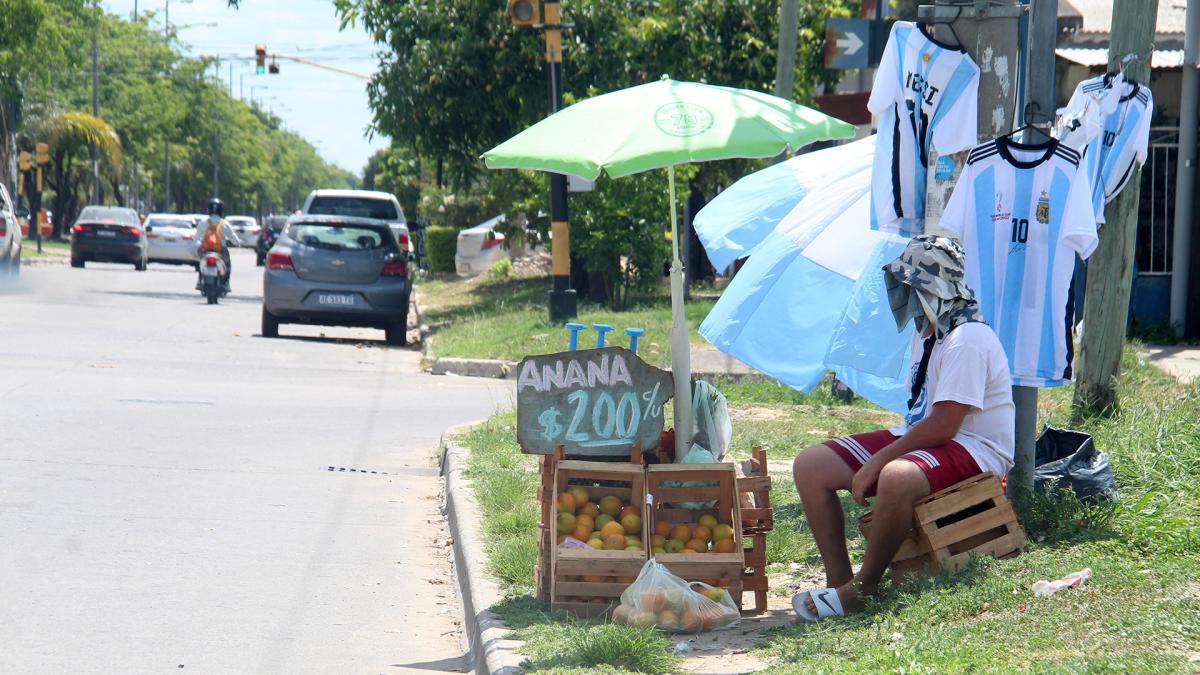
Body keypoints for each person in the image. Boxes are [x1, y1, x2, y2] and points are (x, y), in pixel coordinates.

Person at [791, 235, 1015, 621]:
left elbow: (945, 426)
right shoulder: (927, 332)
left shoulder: (968, 339)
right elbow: (924, 419)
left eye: (911, 286)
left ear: (933, 288)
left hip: (977, 448)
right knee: (811, 465)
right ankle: (839, 582)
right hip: (933, 436)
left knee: (895, 475)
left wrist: (875, 463)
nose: (902, 294)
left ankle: (865, 588)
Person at [196, 198, 233, 293]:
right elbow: (234, 238)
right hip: (221, 250)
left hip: (205, 249)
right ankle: (226, 283)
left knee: (201, 262)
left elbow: (196, 237)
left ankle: (200, 280)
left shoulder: (203, 222)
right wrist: (238, 243)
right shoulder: (225, 223)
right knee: (228, 265)